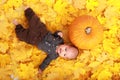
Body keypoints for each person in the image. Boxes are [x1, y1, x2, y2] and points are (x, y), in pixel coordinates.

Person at [13, 7, 78, 72]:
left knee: (21, 36)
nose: (63, 51)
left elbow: (47, 61)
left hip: (35, 40)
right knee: (34, 21)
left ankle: (17, 25)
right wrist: (59, 33)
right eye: (66, 49)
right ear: (66, 44)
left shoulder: (53, 55)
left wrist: (41, 68)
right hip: (41, 31)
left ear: (63, 57)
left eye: (64, 54)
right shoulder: (60, 40)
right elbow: (55, 33)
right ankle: (27, 10)